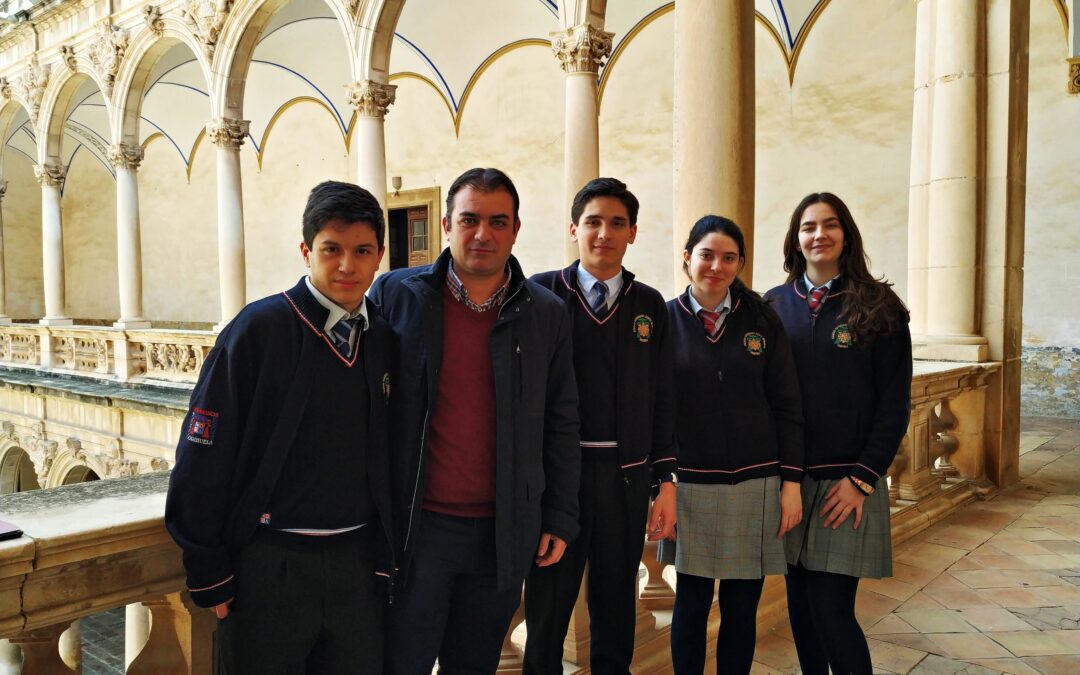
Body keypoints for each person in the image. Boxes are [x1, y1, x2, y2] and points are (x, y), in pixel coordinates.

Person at [165, 181, 396, 674]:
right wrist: (209, 572)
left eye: (362, 251)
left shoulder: (383, 338)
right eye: (331, 250)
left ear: (380, 255)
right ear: (306, 251)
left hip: (357, 569)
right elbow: (203, 454)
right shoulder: (258, 330)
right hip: (269, 569)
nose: (346, 266)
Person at [369, 167, 581, 675]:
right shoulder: (396, 296)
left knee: (476, 663)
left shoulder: (545, 313)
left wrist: (559, 515)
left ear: (515, 229)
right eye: (469, 219)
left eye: (497, 221)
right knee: (403, 662)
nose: (482, 234)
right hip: (417, 530)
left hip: (502, 532)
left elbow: (562, 419)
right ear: (446, 224)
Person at [523, 178, 677, 674]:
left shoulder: (650, 305)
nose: (603, 233)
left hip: (626, 474)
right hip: (557, 478)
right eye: (592, 222)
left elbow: (663, 398)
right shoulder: (541, 293)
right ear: (573, 228)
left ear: (633, 232)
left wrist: (665, 479)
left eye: (616, 223)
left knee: (616, 601)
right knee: (548, 604)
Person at [765, 193, 912, 675]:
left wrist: (862, 479)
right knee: (801, 612)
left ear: (846, 235)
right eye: (808, 226)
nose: (818, 234)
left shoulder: (880, 306)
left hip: (845, 485)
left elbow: (893, 404)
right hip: (789, 486)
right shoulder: (772, 306)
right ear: (795, 238)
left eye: (830, 225)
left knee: (831, 610)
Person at [666, 215, 804, 675]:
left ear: (740, 263)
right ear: (687, 258)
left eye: (728, 258)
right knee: (689, 605)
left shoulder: (763, 319)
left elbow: (787, 405)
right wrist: (659, 484)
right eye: (706, 255)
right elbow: (653, 411)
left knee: (741, 608)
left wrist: (791, 483)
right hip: (690, 484)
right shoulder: (665, 321)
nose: (716, 266)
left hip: (756, 482)